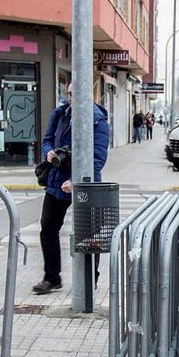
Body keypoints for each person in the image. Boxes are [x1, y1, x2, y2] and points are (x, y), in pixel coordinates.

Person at [33, 83, 111, 294]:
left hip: (83, 184)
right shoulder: (60, 114)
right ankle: (52, 277)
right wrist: (48, 152)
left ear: (86, 96)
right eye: (68, 94)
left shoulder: (98, 121)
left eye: (75, 95)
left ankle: (90, 281)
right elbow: (47, 140)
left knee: (90, 234)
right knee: (48, 227)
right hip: (56, 182)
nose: (70, 98)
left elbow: (98, 158)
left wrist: (77, 180)